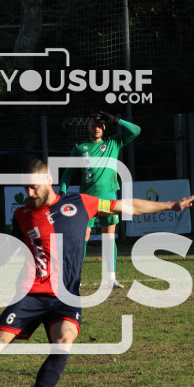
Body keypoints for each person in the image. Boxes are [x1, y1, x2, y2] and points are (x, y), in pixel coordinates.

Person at [0, 159, 194, 387]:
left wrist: (170, 205)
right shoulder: (22, 214)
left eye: (34, 187)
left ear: (48, 180)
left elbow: (125, 206)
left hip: (66, 297)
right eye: (25, 188)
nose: (29, 193)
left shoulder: (81, 203)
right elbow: (13, 246)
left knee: (64, 341)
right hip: (31, 293)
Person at [59, 111, 141, 289]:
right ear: (88, 127)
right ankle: (75, 278)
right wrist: (63, 191)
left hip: (108, 198)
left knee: (109, 237)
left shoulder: (113, 143)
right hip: (86, 200)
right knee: (82, 237)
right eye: (93, 125)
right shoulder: (80, 148)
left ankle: (111, 279)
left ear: (104, 127)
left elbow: (136, 130)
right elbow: (68, 172)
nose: (96, 128)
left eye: (99, 125)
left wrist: (117, 121)